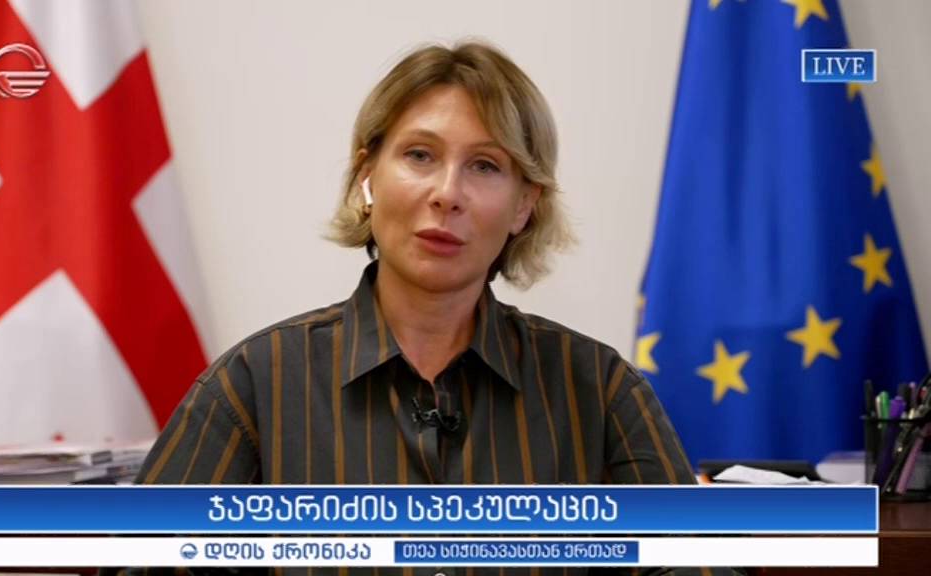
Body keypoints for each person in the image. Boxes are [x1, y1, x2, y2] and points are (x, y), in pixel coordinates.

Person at [134, 41, 737, 576]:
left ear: (524, 206)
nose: (448, 194)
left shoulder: (598, 389)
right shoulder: (257, 384)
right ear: (368, 177)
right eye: (420, 155)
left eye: (485, 166)